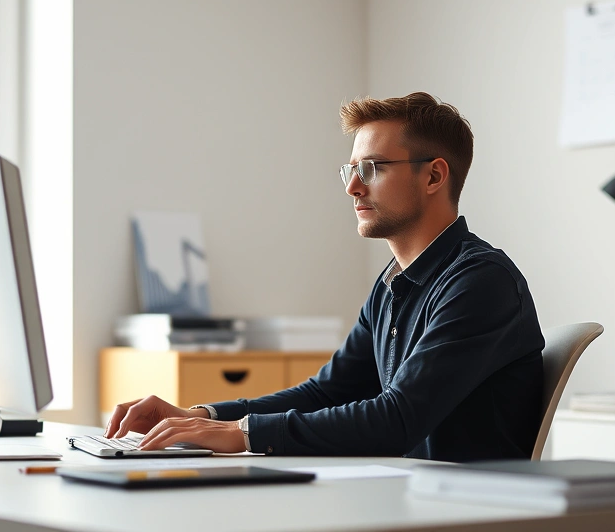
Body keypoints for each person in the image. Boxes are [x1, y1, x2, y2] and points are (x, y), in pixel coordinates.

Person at [105, 93, 545, 461]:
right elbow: (326, 393)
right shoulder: (392, 285)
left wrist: (243, 434)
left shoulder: (481, 282)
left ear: (433, 175)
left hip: (470, 511)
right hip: (406, 495)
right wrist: (202, 415)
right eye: (351, 170)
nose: (353, 187)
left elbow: (397, 420)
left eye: (372, 168)